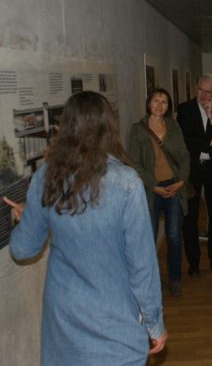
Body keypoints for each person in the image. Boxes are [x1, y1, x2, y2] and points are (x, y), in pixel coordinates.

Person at [5, 91, 167, 365]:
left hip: (64, 325)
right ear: (108, 126)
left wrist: (27, 216)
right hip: (114, 326)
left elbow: (22, 250)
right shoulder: (127, 182)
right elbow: (142, 265)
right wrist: (155, 324)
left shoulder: (46, 176)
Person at [128, 88, 190, 297]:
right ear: (149, 104)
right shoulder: (138, 130)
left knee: (173, 235)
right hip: (150, 190)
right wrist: (154, 186)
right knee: (149, 236)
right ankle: (149, 280)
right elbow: (134, 163)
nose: (159, 105)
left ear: (168, 106)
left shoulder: (173, 126)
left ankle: (175, 279)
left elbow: (184, 155)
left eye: (164, 102)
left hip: (173, 186)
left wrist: (181, 181)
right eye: (156, 101)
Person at [177, 74, 212, 276]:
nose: (202, 95)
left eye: (207, 92)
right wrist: (210, 143)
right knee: (190, 217)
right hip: (192, 170)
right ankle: (193, 262)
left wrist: (211, 117)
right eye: (200, 90)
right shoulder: (185, 109)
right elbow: (186, 140)